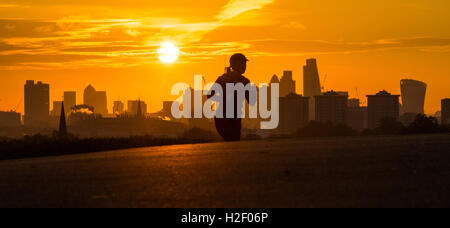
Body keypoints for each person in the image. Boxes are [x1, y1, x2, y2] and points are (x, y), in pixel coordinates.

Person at [208, 53, 253, 142]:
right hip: (224, 118)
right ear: (235, 64)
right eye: (242, 63)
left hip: (233, 118)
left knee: (233, 142)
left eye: (245, 63)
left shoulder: (225, 79)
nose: (245, 66)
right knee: (233, 140)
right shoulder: (225, 79)